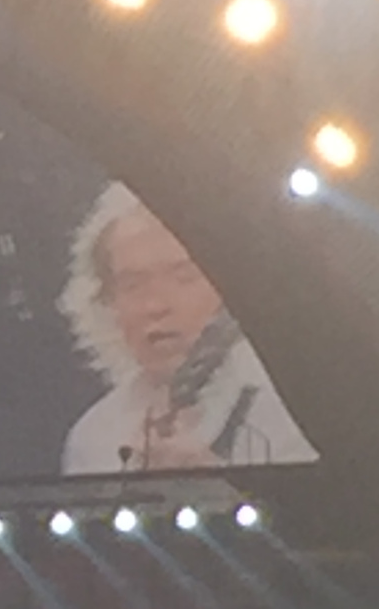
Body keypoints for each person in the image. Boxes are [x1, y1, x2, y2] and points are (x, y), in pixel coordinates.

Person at [59, 182, 318, 474]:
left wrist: (206, 486)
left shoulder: (296, 410)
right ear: (105, 300)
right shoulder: (94, 436)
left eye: (184, 277)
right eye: (133, 284)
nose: (156, 305)